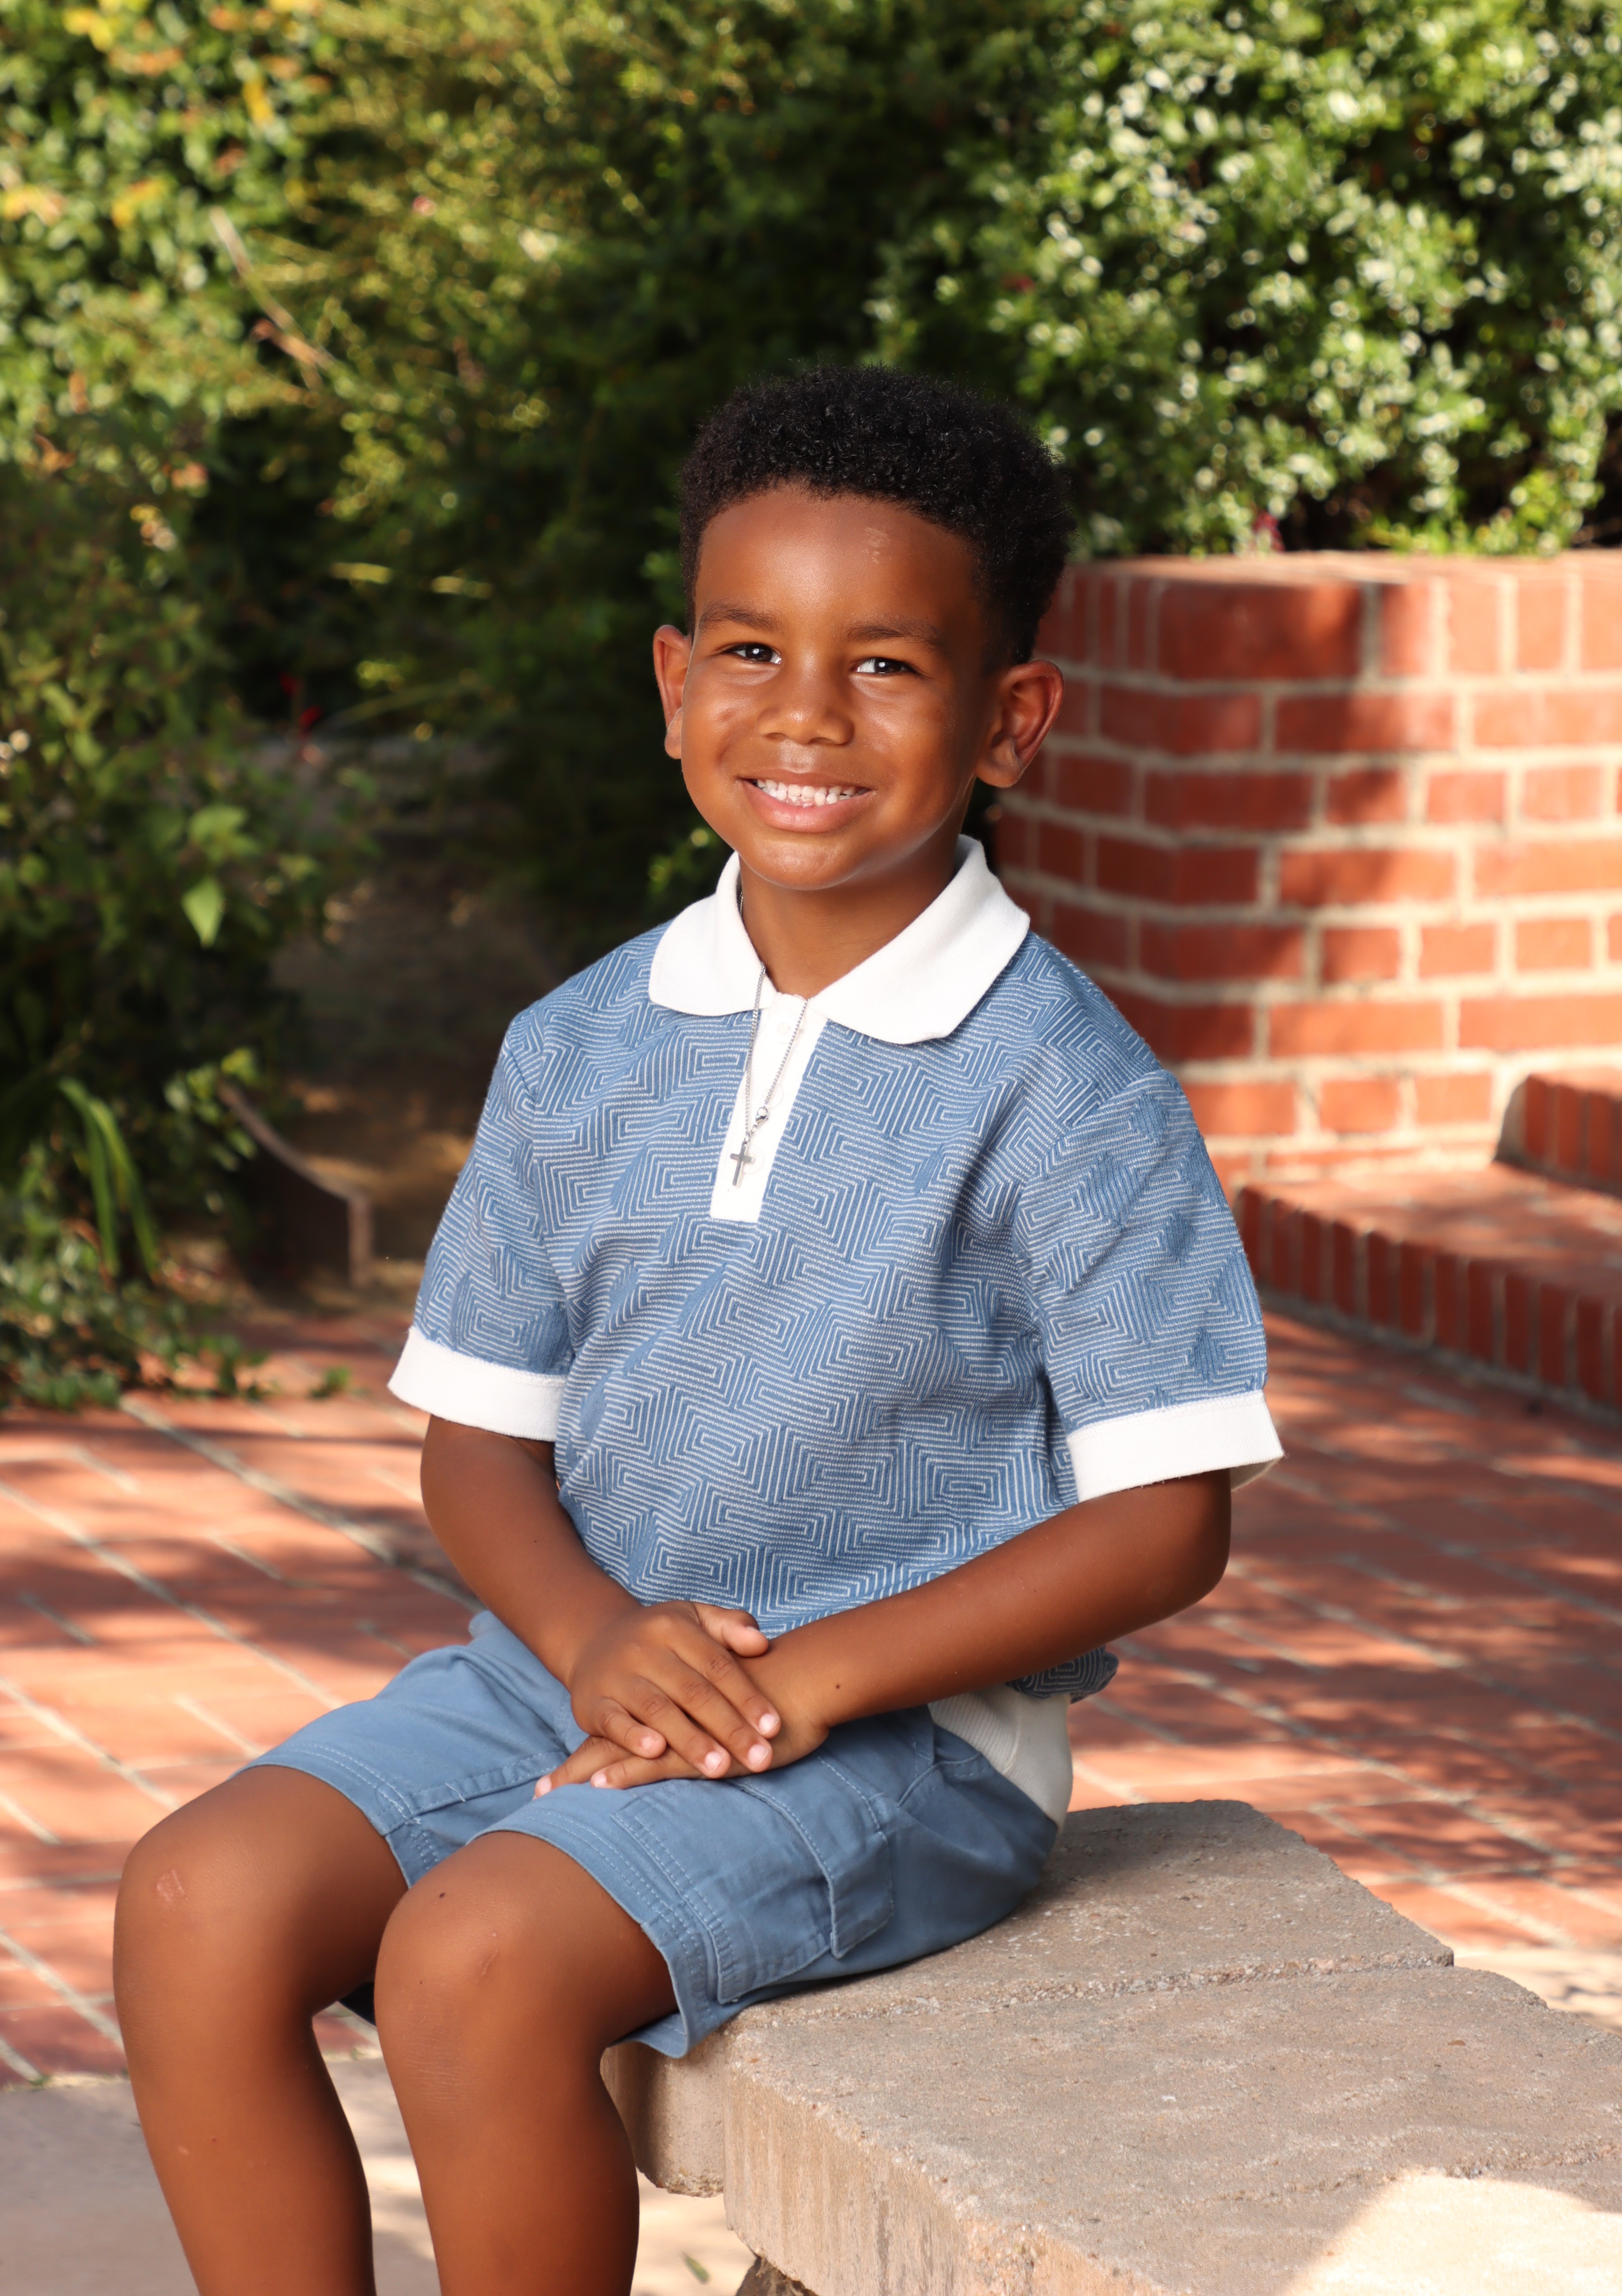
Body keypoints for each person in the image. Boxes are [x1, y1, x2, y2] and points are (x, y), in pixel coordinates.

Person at [115, 364, 1280, 2296]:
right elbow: (480, 1444)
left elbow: (1170, 1521)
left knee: (476, 1959)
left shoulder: (1070, 1092)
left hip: (901, 1744)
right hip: (565, 1671)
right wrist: (593, 1640)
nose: (805, 715)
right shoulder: (579, 1042)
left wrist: (805, 1681)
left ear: (1013, 721)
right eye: (752, 650)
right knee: (194, 1899)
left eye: (885, 666)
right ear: (674, 684)